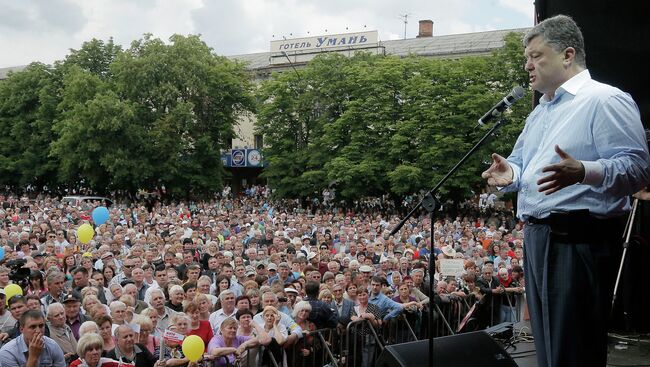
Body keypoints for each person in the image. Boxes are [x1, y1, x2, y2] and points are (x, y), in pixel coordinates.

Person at [481, 15, 650, 367]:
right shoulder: (539, 111)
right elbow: (520, 164)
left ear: (568, 54)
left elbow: (638, 168)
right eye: (526, 58)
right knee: (549, 352)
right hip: (538, 237)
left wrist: (584, 172)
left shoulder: (605, 100)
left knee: (572, 352)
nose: (527, 65)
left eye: (536, 56)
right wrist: (508, 172)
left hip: (578, 241)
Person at [0, 309, 66, 367]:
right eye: (32, 327)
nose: (38, 331)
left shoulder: (52, 345)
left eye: (41, 326)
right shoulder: (7, 352)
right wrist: (33, 357)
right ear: (21, 329)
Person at [69, 333, 134, 367]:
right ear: (83, 352)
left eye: (97, 349)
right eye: (90, 350)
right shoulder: (76, 365)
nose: (95, 352)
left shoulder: (107, 363)